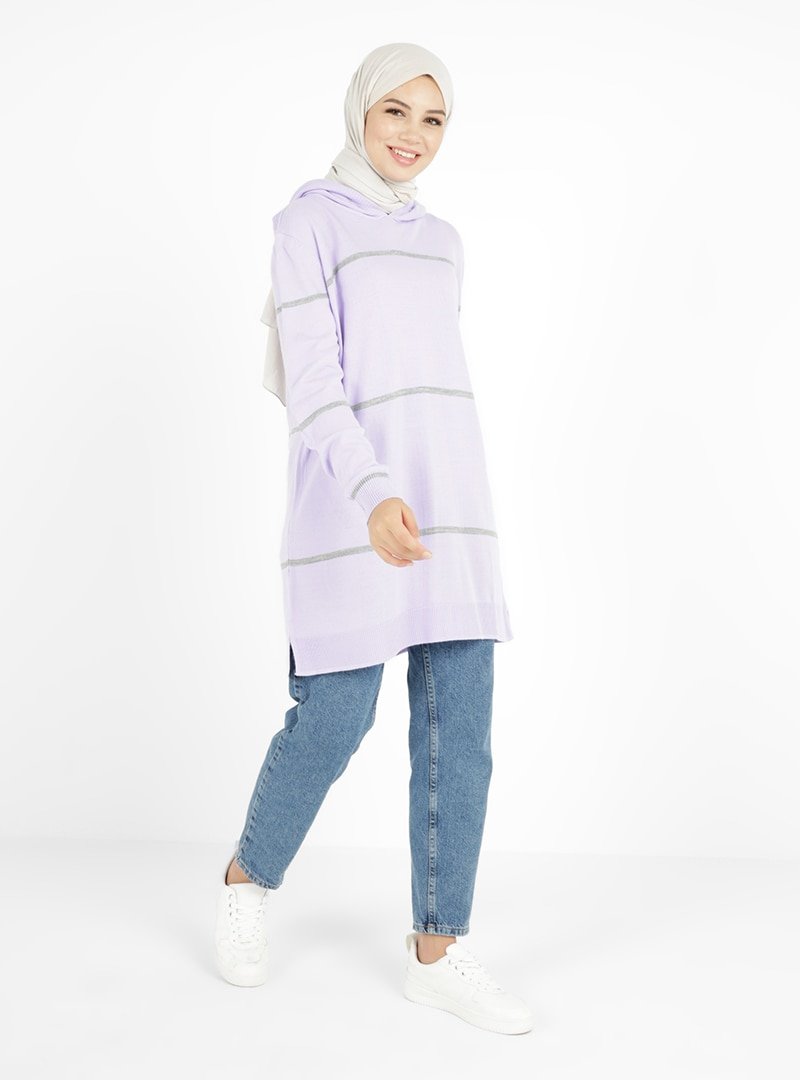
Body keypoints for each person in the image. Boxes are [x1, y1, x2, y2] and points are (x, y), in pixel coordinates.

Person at [214, 42, 533, 1036]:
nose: (413, 135)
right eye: (396, 111)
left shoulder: (444, 241)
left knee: (459, 737)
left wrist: (432, 499)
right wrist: (372, 491)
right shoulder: (306, 222)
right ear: (360, 110)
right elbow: (315, 384)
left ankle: (437, 951)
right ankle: (248, 876)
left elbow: (429, 381)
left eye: (434, 120)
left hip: (451, 512)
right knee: (333, 721)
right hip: (352, 506)